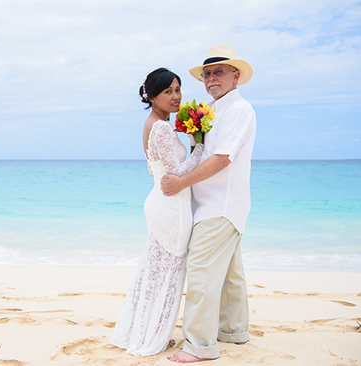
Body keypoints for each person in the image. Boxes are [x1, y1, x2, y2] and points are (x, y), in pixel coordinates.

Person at [161, 45, 256, 363]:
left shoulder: (238, 110)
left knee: (200, 271)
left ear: (236, 76)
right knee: (230, 273)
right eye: (207, 74)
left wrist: (179, 184)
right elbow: (204, 151)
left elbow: (222, 159)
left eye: (219, 72)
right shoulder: (212, 110)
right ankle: (233, 331)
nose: (212, 78)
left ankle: (199, 346)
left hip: (221, 205)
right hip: (211, 204)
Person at [111, 68, 205, 356]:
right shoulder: (162, 127)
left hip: (160, 202)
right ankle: (154, 336)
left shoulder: (154, 123)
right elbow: (176, 176)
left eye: (178, 89)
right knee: (170, 273)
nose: (176, 97)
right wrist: (199, 145)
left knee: (154, 271)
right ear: (152, 96)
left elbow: (157, 169)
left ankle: (142, 330)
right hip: (171, 207)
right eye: (168, 92)